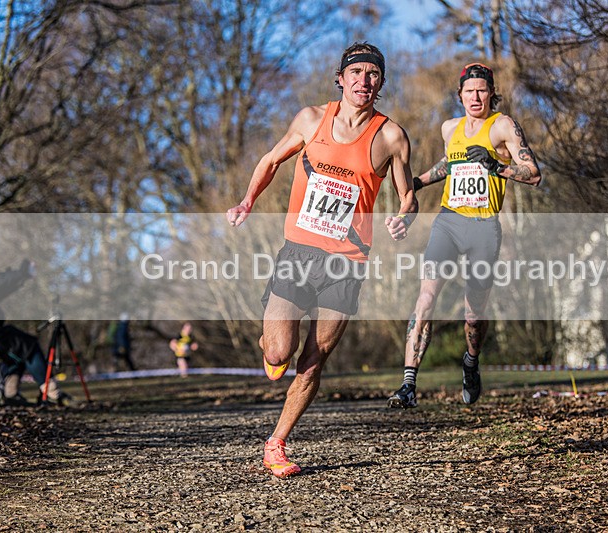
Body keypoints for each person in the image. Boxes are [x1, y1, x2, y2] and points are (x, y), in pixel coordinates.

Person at [226, 42, 416, 477]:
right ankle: (271, 347)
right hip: (299, 252)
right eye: (357, 73)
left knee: (314, 358)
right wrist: (247, 201)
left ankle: (276, 443)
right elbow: (271, 159)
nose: (364, 81)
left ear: (380, 82)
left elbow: (407, 196)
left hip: (347, 263)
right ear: (341, 77)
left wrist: (405, 216)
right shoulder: (312, 119)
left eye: (373, 74)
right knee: (280, 350)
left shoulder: (391, 136)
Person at [387, 62, 541, 409]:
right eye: (469, 91)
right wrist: (415, 184)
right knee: (425, 298)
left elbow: (533, 174)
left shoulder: (503, 126)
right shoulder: (450, 128)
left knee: (473, 315)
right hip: (449, 222)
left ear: (491, 94)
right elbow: (449, 164)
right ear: (460, 95)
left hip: (484, 227)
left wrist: (496, 165)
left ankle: (471, 361)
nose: (475, 96)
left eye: (481, 90)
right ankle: (408, 383)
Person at [0, 260, 65, 405]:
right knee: (27, 346)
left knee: (16, 348)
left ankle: (11, 392)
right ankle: (51, 391)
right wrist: (22, 273)